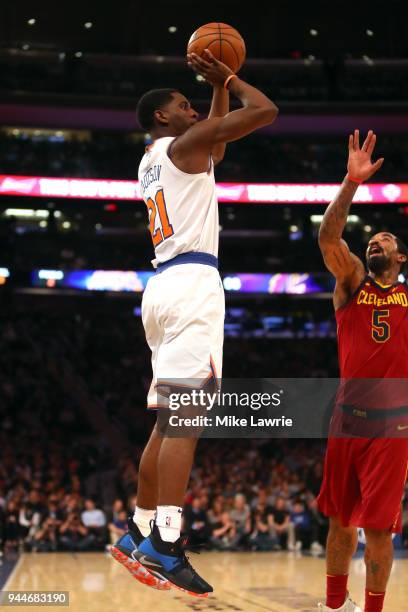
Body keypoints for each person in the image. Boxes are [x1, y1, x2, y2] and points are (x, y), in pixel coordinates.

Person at [111, 48, 278, 597]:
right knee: (186, 419)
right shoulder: (182, 145)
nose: (194, 110)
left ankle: (139, 530)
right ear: (163, 116)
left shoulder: (157, 158)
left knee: (166, 421)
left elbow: (219, 143)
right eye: (185, 104)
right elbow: (266, 110)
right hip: (192, 285)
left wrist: (215, 94)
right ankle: (166, 541)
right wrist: (229, 76)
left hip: (161, 288)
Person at [316, 130, 408, 612]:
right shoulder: (352, 281)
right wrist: (351, 182)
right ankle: (334, 607)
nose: (377, 240)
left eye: (387, 239)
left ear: (401, 258)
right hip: (347, 420)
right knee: (339, 524)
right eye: (373, 238)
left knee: (378, 530)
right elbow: (329, 237)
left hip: (394, 428)